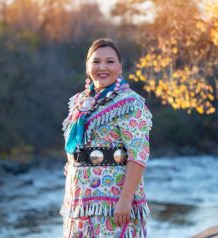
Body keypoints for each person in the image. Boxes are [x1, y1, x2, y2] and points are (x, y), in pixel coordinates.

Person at [61, 38, 152, 238]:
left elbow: (139, 155)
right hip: (79, 201)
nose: (103, 67)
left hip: (113, 199)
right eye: (96, 61)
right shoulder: (79, 102)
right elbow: (73, 144)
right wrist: (73, 163)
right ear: (87, 67)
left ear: (120, 68)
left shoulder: (130, 103)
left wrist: (126, 200)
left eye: (110, 62)